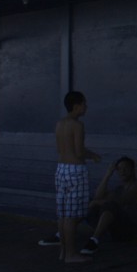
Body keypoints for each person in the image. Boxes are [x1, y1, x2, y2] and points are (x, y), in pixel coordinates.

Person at [54, 90, 101, 262]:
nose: (86, 107)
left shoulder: (59, 124)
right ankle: (71, 254)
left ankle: (63, 252)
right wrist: (94, 155)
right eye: (84, 103)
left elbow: (60, 149)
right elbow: (79, 151)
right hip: (75, 170)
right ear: (76, 106)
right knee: (73, 216)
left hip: (61, 169)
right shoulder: (77, 125)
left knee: (63, 214)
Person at [81, 156, 137, 254]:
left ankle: (94, 240)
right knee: (91, 204)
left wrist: (98, 202)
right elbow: (98, 197)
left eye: (126, 168)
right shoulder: (119, 189)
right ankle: (63, 234)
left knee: (109, 206)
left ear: (133, 170)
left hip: (129, 230)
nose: (122, 171)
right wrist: (108, 174)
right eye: (119, 169)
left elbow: (122, 200)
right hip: (116, 230)